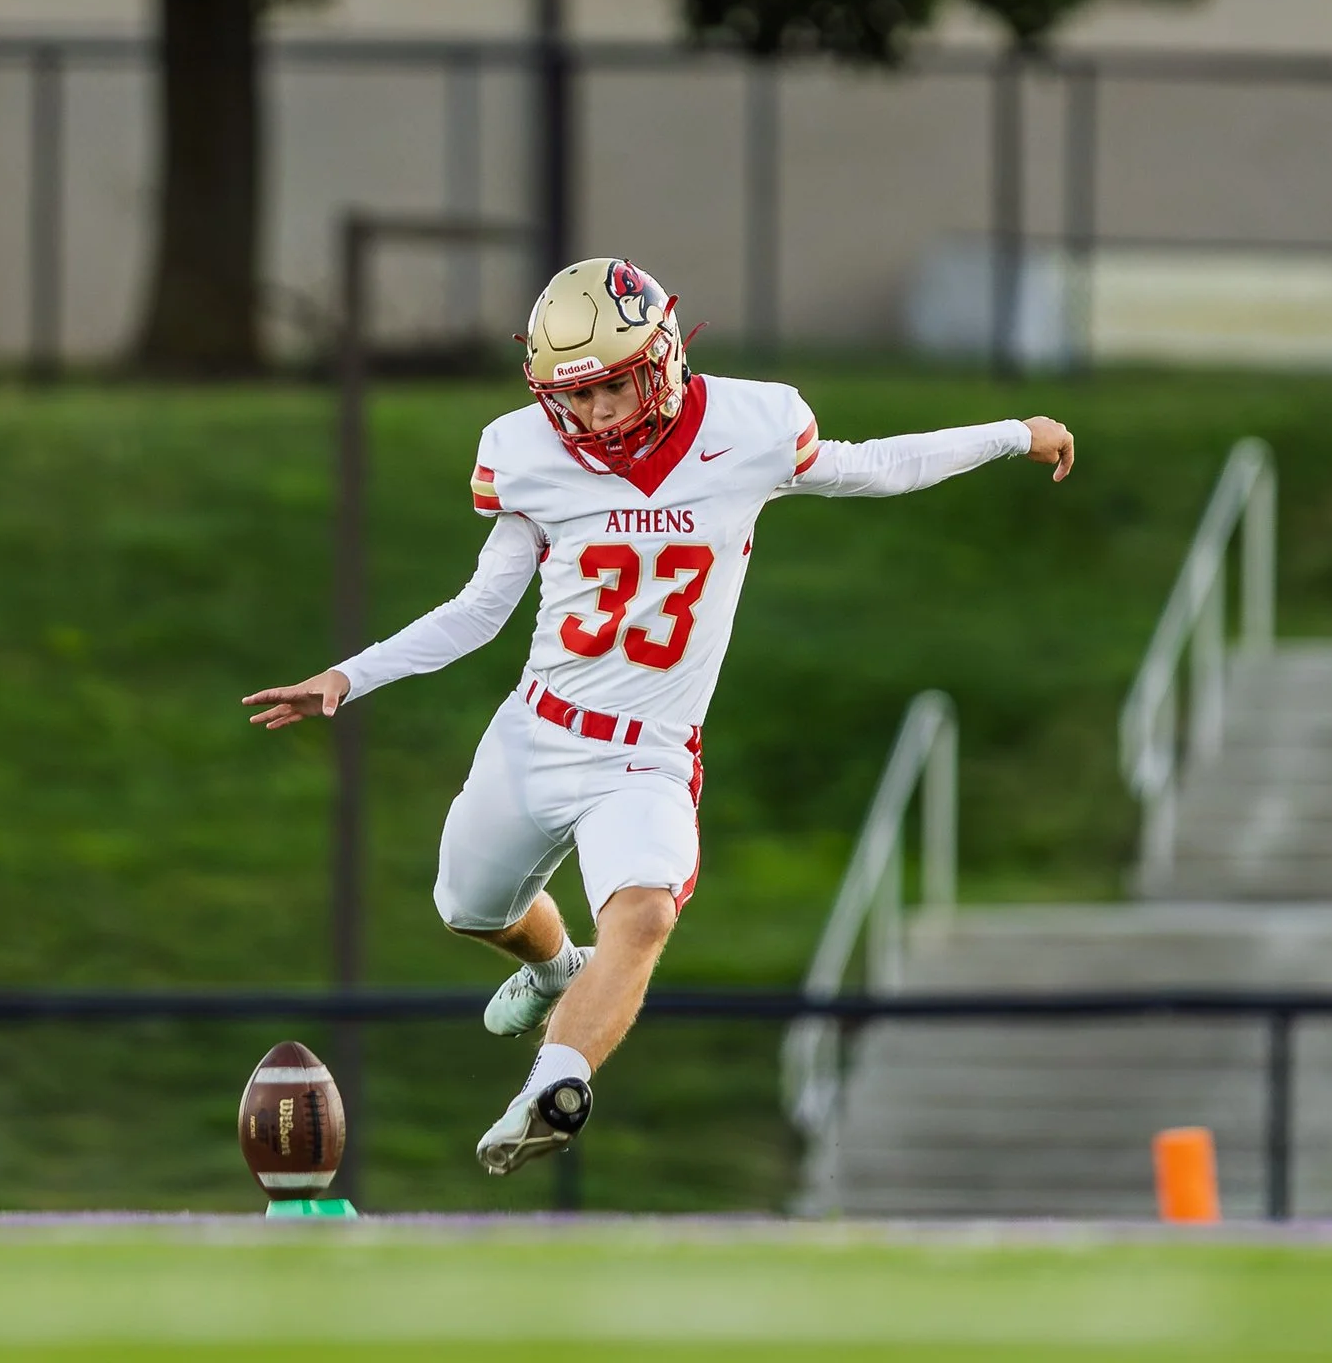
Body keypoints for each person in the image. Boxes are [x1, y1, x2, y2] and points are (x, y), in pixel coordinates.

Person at [246, 258, 1075, 1175]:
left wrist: (1012, 433)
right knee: (470, 908)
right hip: (538, 729)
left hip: (647, 757)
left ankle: (553, 1087)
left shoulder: (750, 429)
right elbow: (481, 609)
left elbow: (872, 468)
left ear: (664, 354)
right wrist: (347, 677)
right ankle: (555, 968)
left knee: (641, 916)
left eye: (612, 386)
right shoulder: (528, 454)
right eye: (578, 394)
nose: (596, 414)